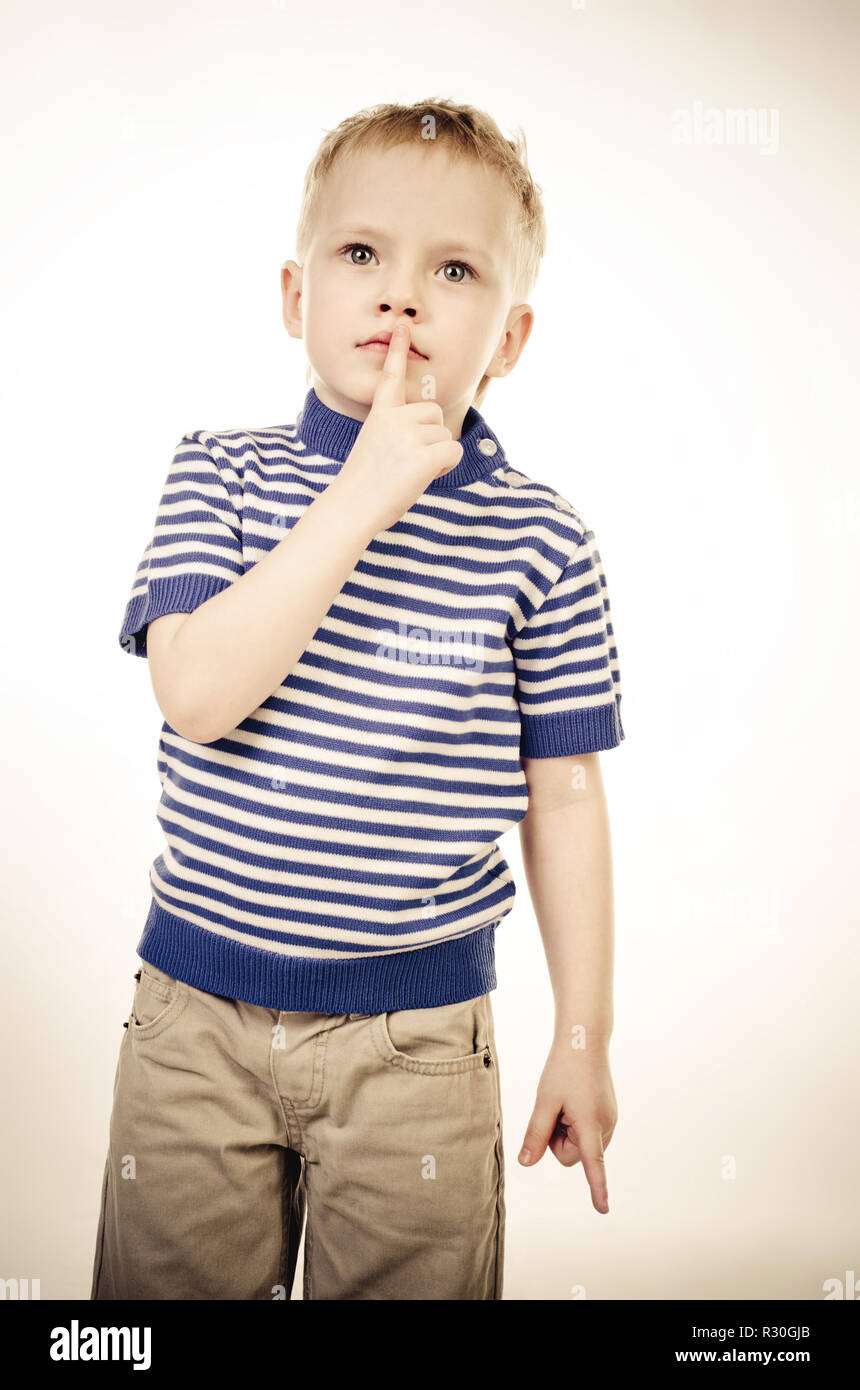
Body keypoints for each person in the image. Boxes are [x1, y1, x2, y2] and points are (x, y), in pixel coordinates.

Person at [90, 98, 625, 1302]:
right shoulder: (218, 472)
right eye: (360, 254)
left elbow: (568, 801)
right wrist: (358, 498)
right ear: (295, 297)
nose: (399, 297)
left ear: (511, 335)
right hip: (196, 1028)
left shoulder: (538, 539)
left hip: (419, 1043)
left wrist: (582, 1038)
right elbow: (197, 696)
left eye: (450, 268)